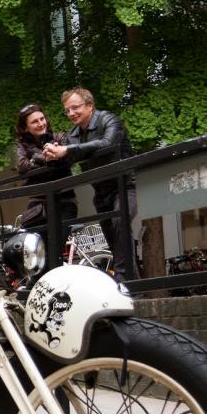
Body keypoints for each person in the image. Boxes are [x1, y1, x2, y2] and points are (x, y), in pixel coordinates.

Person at [42, 87, 138, 281]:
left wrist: (68, 150)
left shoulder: (108, 120)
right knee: (115, 241)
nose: (71, 113)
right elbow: (66, 158)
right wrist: (50, 154)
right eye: (67, 110)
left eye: (75, 108)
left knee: (120, 225)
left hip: (122, 187)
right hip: (100, 192)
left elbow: (107, 144)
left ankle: (122, 283)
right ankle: (133, 287)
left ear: (90, 106)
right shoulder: (73, 134)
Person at [15, 103, 77, 226]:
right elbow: (22, 166)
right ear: (26, 127)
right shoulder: (21, 144)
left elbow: (68, 160)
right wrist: (46, 158)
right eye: (35, 121)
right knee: (40, 244)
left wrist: (35, 159)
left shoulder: (59, 138)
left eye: (42, 119)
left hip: (64, 200)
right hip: (38, 203)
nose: (41, 123)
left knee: (58, 243)